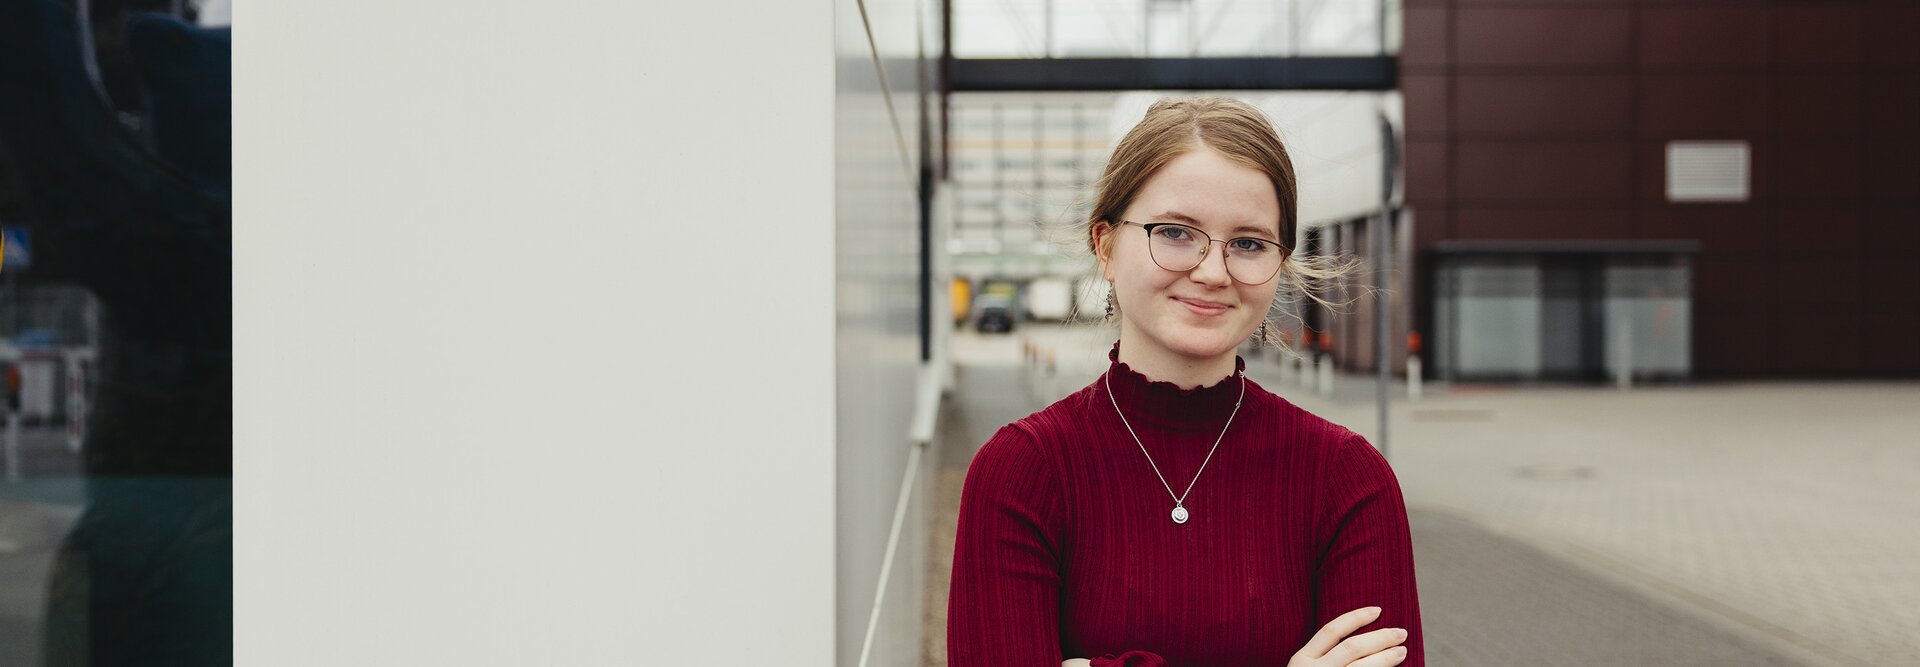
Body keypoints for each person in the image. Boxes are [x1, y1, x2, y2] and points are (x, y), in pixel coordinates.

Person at [946, 97, 1424, 667]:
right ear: (1105, 246)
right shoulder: (1021, 474)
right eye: (1175, 232)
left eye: (1248, 243)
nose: (1213, 272)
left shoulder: (1348, 484)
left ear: (1281, 262)